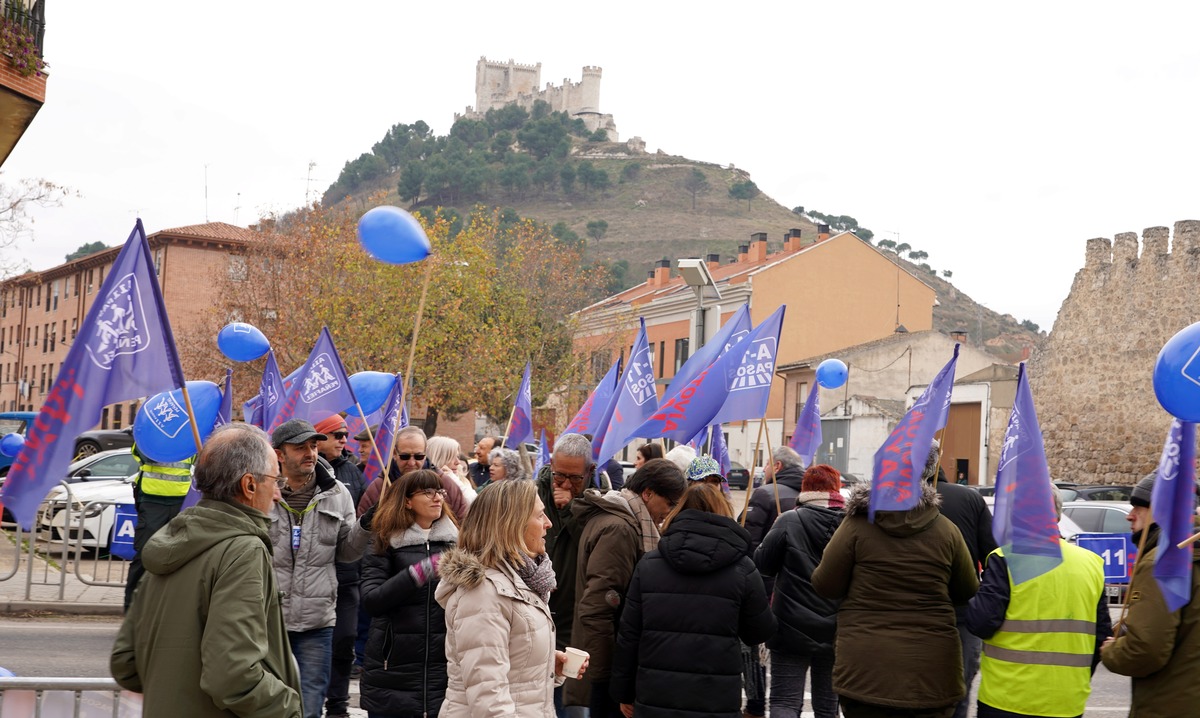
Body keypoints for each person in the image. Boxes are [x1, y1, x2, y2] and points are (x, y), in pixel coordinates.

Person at [111, 423, 302, 717]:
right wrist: (289, 707)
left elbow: (126, 664)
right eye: (275, 480)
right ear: (249, 485)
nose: (277, 493)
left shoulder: (171, 541)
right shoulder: (243, 550)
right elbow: (232, 675)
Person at [812, 480, 979, 718]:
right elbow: (967, 590)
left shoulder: (855, 526)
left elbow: (825, 584)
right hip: (932, 669)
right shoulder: (946, 529)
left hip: (865, 668)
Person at [610, 483, 776, 718]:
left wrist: (623, 693)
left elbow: (629, 636)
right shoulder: (743, 569)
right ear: (723, 513)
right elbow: (758, 632)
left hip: (656, 696)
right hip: (715, 699)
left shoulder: (648, 565)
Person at [435, 479, 589, 717]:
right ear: (511, 525)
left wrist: (550, 665)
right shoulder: (484, 593)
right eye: (540, 516)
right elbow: (488, 696)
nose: (548, 524)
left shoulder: (519, 582)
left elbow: (512, 674)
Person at [967, 487, 1109, 718]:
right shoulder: (1092, 564)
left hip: (1006, 700)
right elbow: (1101, 635)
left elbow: (980, 622)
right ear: (1058, 515)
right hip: (1067, 701)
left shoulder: (1005, 559)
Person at [565, 459, 687, 716]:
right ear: (648, 493)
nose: (670, 511)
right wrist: (609, 676)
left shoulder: (622, 519)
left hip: (611, 662)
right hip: (609, 666)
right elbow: (598, 607)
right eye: (670, 503)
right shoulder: (619, 528)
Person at [269, 419, 372, 718]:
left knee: (311, 705)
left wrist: (365, 527)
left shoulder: (337, 493)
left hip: (317, 622)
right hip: (268, 621)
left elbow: (348, 553)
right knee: (269, 704)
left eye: (313, 446)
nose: (310, 453)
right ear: (279, 454)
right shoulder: (259, 490)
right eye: (300, 448)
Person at [360, 469, 459, 718]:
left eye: (439, 491)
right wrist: (416, 574)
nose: (437, 497)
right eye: (427, 492)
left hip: (442, 668)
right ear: (407, 500)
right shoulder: (384, 540)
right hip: (392, 668)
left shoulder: (458, 544)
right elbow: (372, 601)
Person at [1101, 473, 1200, 715]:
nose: (1129, 515)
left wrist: (1111, 651)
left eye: (1139, 507)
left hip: (1170, 706)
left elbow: (1145, 651)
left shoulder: (1161, 563)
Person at [753, 464, 846, 718]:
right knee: (828, 706)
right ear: (837, 489)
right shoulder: (851, 524)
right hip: (836, 627)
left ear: (805, 488)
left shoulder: (789, 520)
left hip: (789, 624)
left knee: (784, 701)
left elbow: (763, 565)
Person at [926, 442, 998, 718]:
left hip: (911, 614)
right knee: (958, 694)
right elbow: (994, 557)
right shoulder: (969, 499)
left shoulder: (891, 501)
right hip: (961, 614)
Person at [535, 432, 594, 716]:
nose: (567, 485)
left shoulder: (599, 499)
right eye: (560, 477)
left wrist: (571, 509)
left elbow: (593, 546)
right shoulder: (532, 494)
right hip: (537, 616)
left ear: (589, 472)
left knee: (572, 706)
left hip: (573, 620)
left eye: (575, 478)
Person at [313, 414, 368, 718]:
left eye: (346, 435)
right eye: (337, 435)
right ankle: (311, 697)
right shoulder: (304, 473)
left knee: (345, 639)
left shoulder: (353, 473)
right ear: (319, 439)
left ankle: (338, 704)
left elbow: (359, 522)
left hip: (348, 576)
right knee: (314, 640)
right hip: (315, 574)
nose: (344, 440)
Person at [122, 442, 195, 609]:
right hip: (151, 499)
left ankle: (169, 611)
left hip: (182, 500)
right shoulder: (152, 431)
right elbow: (143, 452)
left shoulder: (190, 433)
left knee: (179, 558)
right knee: (144, 555)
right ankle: (131, 610)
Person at [358, 426, 468, 520]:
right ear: (395, 453)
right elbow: (362, 532)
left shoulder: (446, 485)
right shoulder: (379, 488)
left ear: (426, 452)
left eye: (418, 456)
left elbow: (462, 526)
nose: (411, 463)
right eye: (405, 456)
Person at [428, 435, 478, 507]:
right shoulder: (425, 482)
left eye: (457, 457)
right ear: (438, 458)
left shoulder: (461, 479)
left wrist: (453, 479)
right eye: (451, 457)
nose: (458, 462)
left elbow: (474, 504)